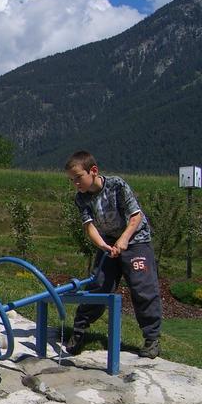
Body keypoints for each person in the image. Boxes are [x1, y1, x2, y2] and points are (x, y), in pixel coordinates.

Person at [64, 151, 162, 358]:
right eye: (72, 180)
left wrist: (124, 240)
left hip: (136, 240)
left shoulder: (117, 185)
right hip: (109, 242)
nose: (76, 184)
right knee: (99, 286)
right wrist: (103, 246)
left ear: (93, 171)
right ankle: (79, 331)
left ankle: (152, 339)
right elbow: (89, 226)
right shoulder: (81, 198)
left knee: (143, 288)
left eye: (78, 178)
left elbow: (136, 217)